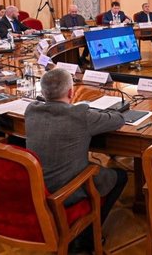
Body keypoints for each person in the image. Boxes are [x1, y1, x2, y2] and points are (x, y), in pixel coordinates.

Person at [25, 68, 127, 252]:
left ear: (43, 92)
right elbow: (118, 120)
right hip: (67, 192)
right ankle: (88, 237)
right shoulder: (80, 114)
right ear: (71, 92)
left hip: (36, 188)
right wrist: (89, 109)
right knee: (120, 177)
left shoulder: (31, 110)